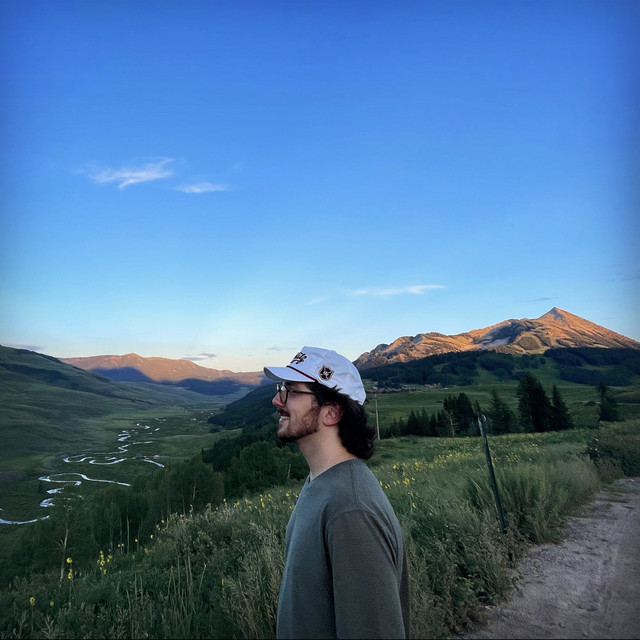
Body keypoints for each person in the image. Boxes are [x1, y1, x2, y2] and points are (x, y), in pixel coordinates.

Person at [264, 346, 410, 639]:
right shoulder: (321, 482)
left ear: (331, 412)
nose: (277, 400)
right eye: (281, 389)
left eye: (291, 391)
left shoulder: (351, 510)